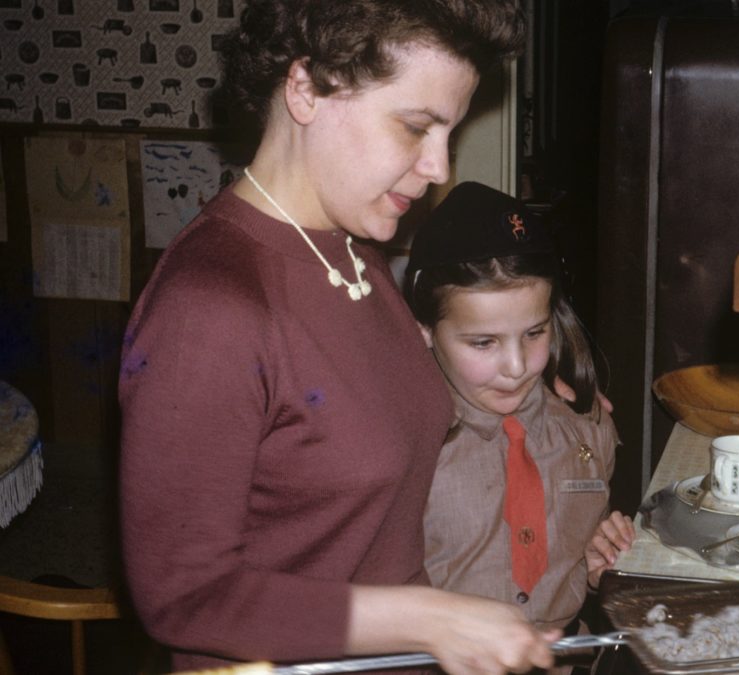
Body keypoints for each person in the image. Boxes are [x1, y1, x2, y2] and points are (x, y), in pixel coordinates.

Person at [117, 2, 561, 673]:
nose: (439, 166)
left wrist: (550, 397)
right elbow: (182, 596)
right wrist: (427, 618)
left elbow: (370, 413)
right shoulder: (210, 308)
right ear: (305, 89)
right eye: (416, 127)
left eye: (450, 132)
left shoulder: (351, 253)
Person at [403, 183, 636, 668]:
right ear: (424, 330)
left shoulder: (586, 426)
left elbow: (579, 556)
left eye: (534, 333)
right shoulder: (400, 444)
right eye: (483, 343)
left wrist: (600, 569)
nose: (517, 366)